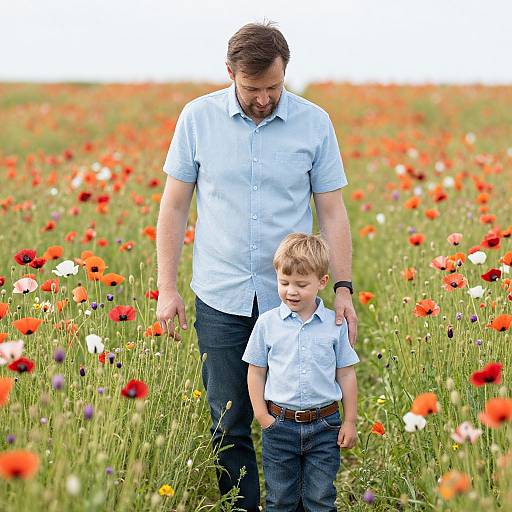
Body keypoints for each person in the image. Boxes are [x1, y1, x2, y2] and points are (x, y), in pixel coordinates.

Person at [156, 20, 357, 512]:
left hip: (296, 299)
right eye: (252, 89)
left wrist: (344, 288)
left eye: (274, 86)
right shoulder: (197, 118)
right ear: (229, 73)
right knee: (229, 419)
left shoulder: (314, 123)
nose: (264, 98)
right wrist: (167, 288)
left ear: (286, 73)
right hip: (221, 294)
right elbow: (174, 206)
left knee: (300, 415)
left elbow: (331, 209)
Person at [242, 233, 359, 512]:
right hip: (280, 424)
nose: (291, 291)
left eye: (301, 284)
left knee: (320, 498)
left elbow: (346, 374)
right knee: (280, 499)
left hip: (325, 424)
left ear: (322, 282)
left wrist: (350, 420)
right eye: (284, 283)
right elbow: (256, 371)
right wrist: (261, 415)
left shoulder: (334, 324)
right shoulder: (267, 324)